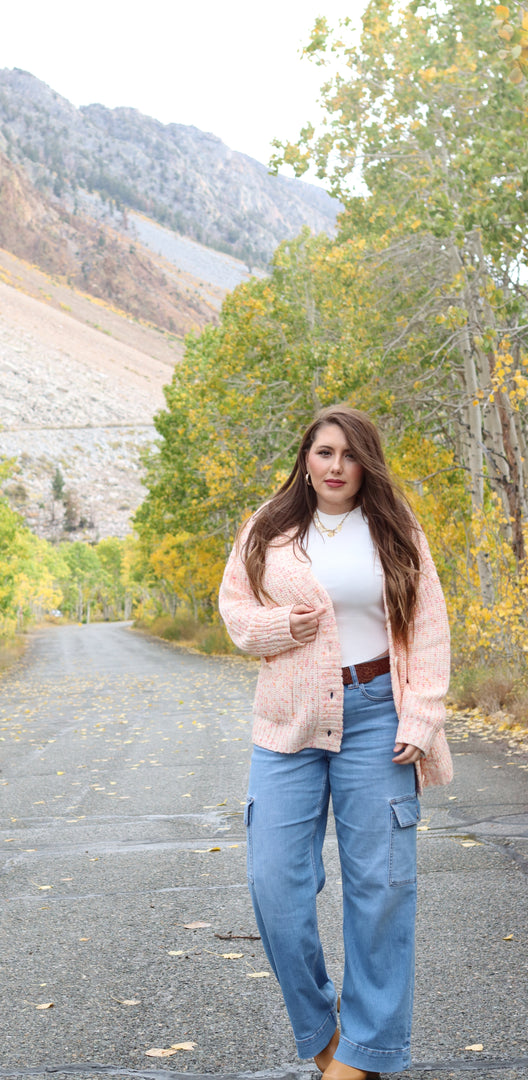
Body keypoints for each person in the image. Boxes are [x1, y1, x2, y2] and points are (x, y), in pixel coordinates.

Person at [218, 406, 452, 1080]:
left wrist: (421, 716)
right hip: (288, 720)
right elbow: (235, 611)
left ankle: (366, 1053)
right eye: (324, 453)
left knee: (381, 888)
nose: (336, 467)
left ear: (366, 462)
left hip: (379, 714)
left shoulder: (396, 530)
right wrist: (277, 629)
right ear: (306, 458)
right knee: (275, 886)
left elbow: (429, 625)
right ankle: (324, 1037)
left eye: (349, 455)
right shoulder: (271, 529)